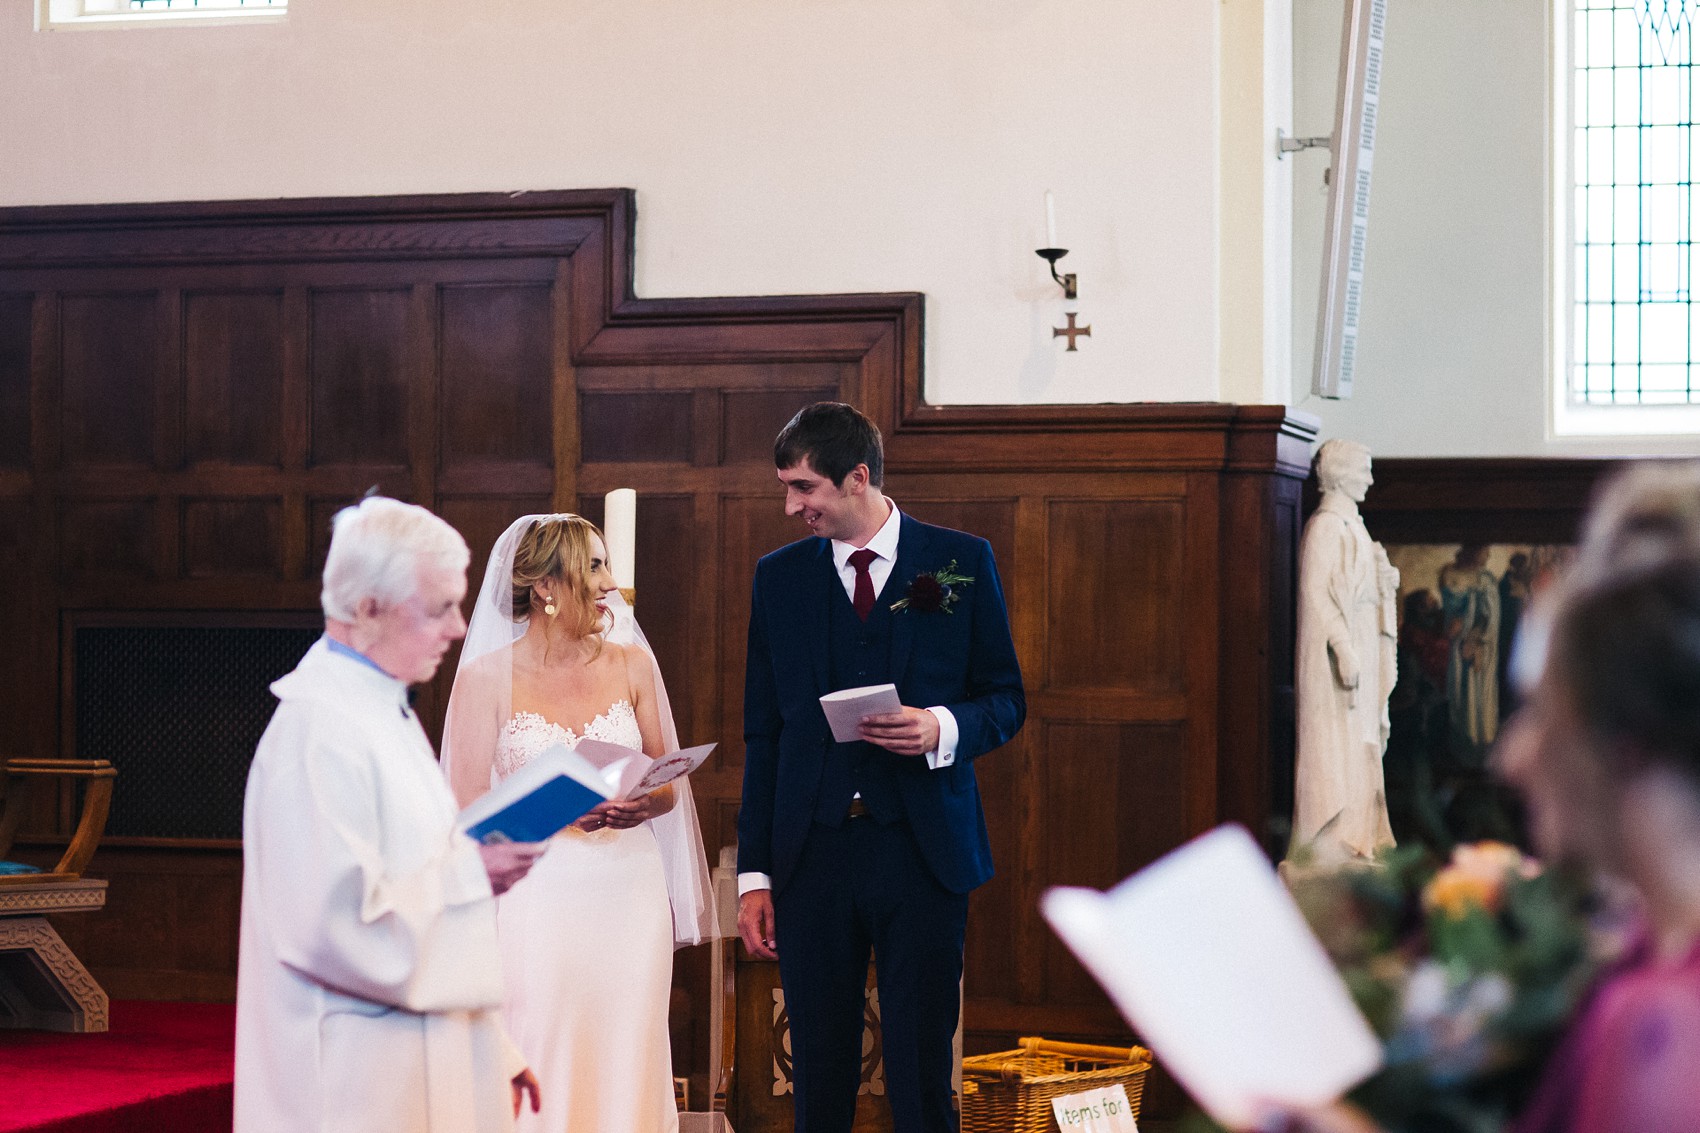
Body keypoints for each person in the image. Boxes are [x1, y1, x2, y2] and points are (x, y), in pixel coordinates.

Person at [1268, 461, 1700, 1133]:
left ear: (1628, 741)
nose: (1512, 757)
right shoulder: (1643, 947)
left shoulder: (1666, 1023)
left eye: (1543, 714)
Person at [736, 402, 1025, 1133]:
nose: (791, 505)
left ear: (857, 477)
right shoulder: (778, 578)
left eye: (804, 488)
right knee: (820, 1074)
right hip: (814, 853)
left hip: (922, 852)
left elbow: (1008, 699)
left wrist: (941, 726)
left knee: (923, 1070)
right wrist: (755, 875)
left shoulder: (959, 561)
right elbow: (763, 733)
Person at [235, 496, 544, 1133]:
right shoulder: (319, 731)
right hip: (352, 1086)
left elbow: (416, 872)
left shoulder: (380, 713)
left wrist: (488, 1046)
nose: (459, 628)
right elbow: (334, 925)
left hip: (413, 1058)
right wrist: (472, 874)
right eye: (438, 609)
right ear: (368, 609)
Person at [442, 513, 714, 1133]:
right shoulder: (486, 678)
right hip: (538, 888)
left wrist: (646, 800)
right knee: (544, 1037)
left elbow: (670, 783)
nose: (608, 583)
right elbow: (465, 810)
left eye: (604, 564)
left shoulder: (632, 665)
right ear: (544, 587)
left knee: (630, 1042)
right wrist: (560, 809)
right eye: (592, 566)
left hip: (629, 887)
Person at [1289, 439, 1400, 861]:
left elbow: (1359, 590)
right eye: (1363, 470)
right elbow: (1316, 595)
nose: (1370, 479)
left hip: (1362, 650)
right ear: (1338, 472)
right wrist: (1342, 646)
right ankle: (1332, 843)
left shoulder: (1353, 525)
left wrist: (1383, 584)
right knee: (1337, 749)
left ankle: (1358, 838)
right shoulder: (1325, 528)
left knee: (1362, 744)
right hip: (1339, 662)